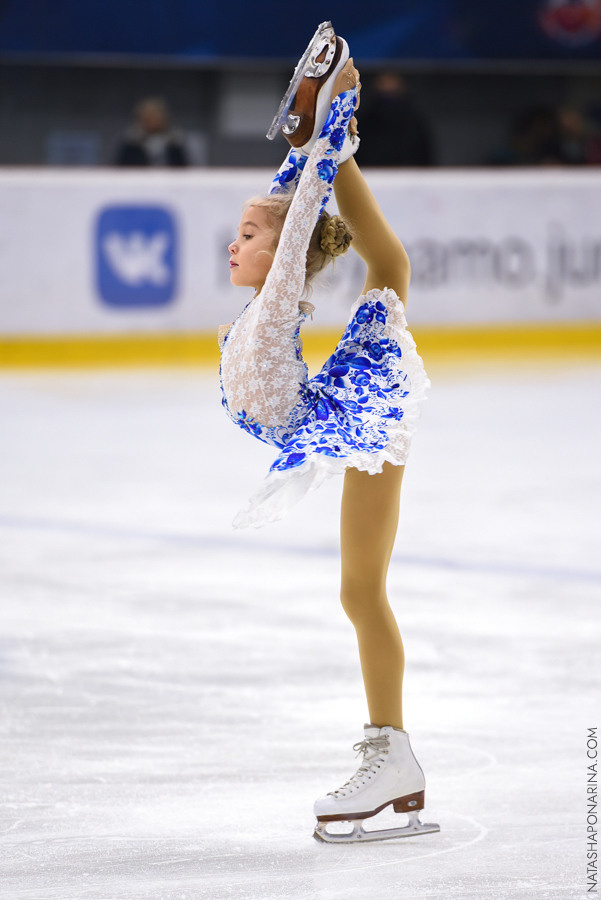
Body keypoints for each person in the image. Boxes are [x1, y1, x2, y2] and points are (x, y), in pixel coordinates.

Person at [218, 23, 438, 844]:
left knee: (359, 592)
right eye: (237, 233)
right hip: (331, 413)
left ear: (280, 260)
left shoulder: (276, 298)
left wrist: (329, 145)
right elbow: (290, 194)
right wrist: (320, 142)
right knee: (390, 272)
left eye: (246, 237)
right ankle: (396, 756)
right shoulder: (270, 282)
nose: (232, 243)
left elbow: (299, 205)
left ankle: (393, 755)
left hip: (358, 418)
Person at [113, 97, 189, 167]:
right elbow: (121, 169)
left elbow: (184, 169)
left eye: (155, 116)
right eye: (148, 116)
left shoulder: (175, 142)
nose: (152, 120)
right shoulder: (130, 143)